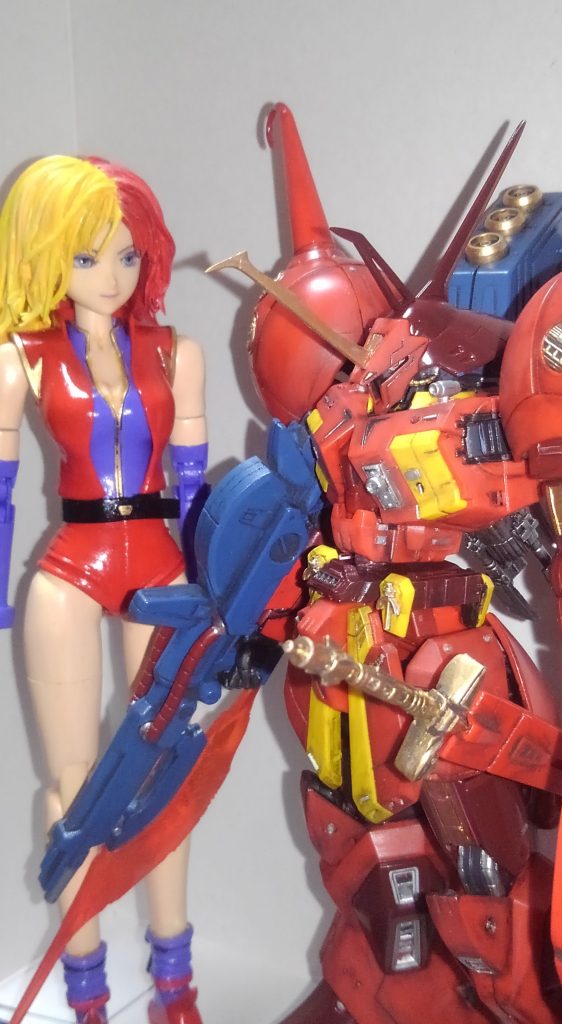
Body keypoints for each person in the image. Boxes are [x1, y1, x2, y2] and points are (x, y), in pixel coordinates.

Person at [0, 155, 207, 1024]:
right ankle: (86, 989)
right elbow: (0, 488)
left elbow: (192, 488)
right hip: (70, 568)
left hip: (160, 562)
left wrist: (208, 580)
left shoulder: (175, 352)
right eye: (86, 258)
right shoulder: (20, 360)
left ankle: (175, 982)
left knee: (163, 774)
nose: (111, 277)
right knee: (75, 786)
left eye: (126, 255)